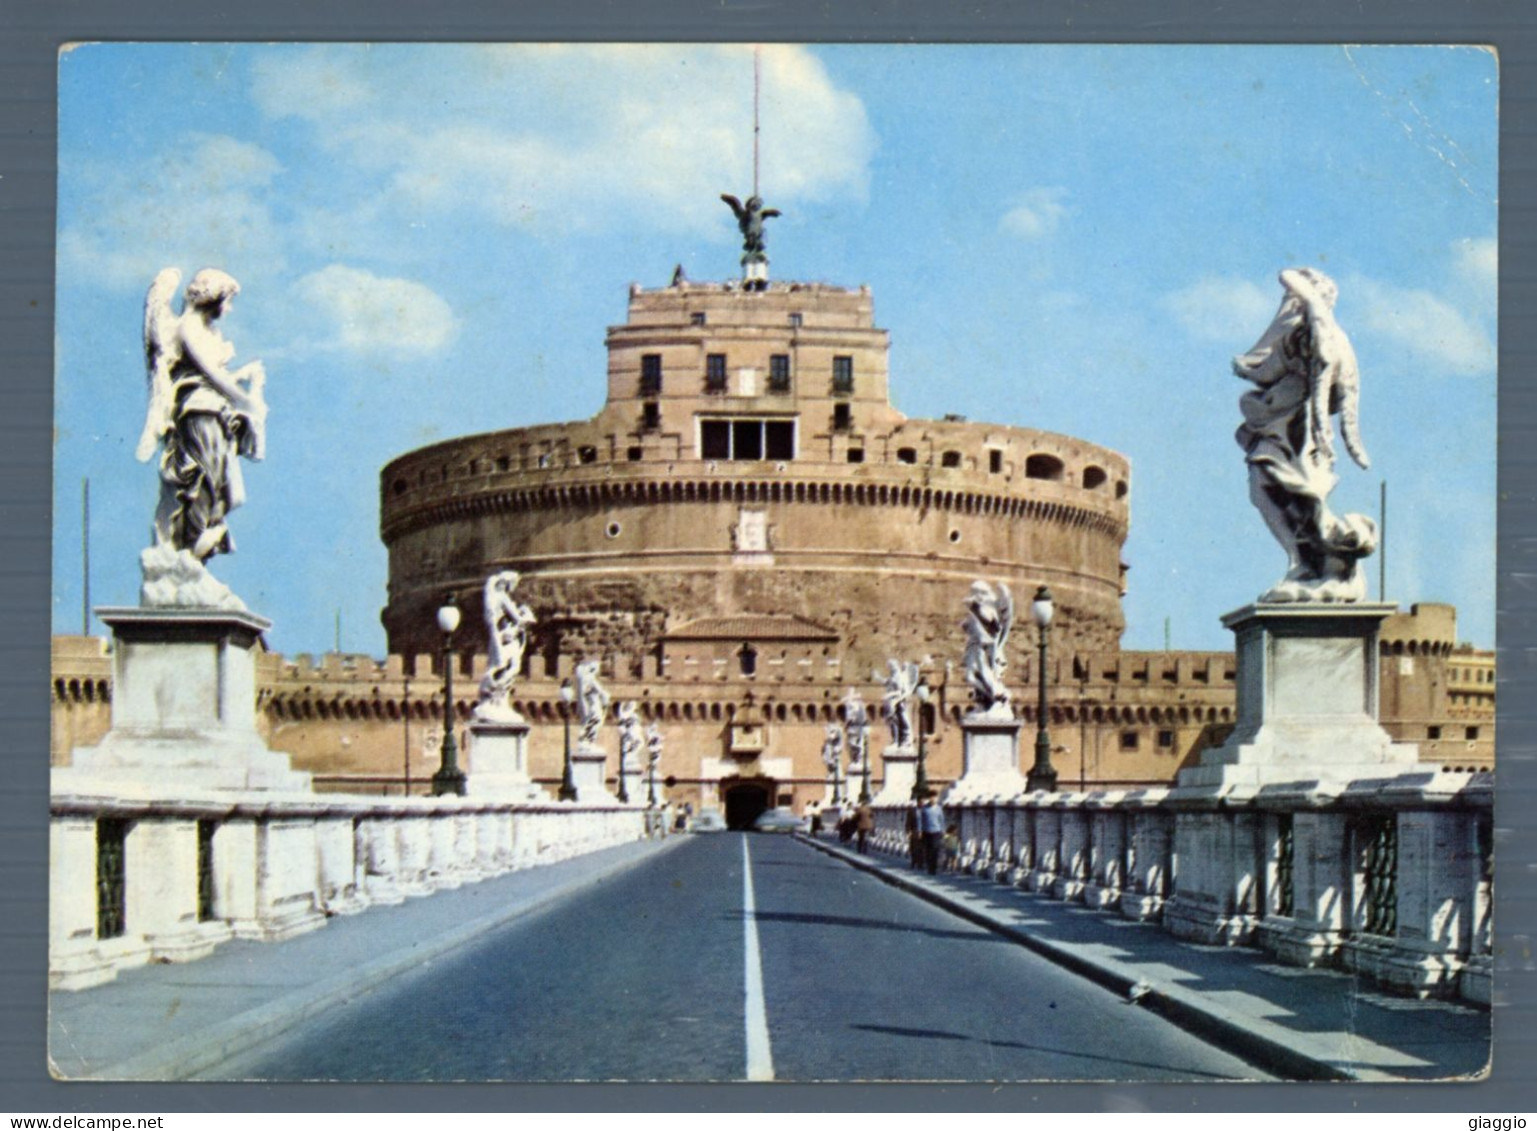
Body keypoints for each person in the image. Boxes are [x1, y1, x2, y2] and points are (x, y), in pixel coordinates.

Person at [140, 267, 268, 562]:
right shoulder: (186, 329)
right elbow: (212, 376)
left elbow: (218, 379)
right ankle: (192, 544)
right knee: (205, 480)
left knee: (229, 491)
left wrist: (244, 378)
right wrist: (247, 401)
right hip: (199, 413)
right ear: (215, 296)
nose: (229, 307)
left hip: (217, 415)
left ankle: (197, 543)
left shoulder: (208, 332)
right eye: (228, 299)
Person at [917, 793, 946, 875]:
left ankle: (934, 867)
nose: (933, 799)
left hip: (936, 831)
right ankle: (930, 866)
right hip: (926, 831)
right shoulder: (924, 808)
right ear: (929, 799)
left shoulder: (939, 809)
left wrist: (943, 830)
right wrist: (919, 831)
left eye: (935, 798)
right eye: (931, 798)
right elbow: (920, 820)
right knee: (928, 850)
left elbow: (942, 820)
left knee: (935, 849)